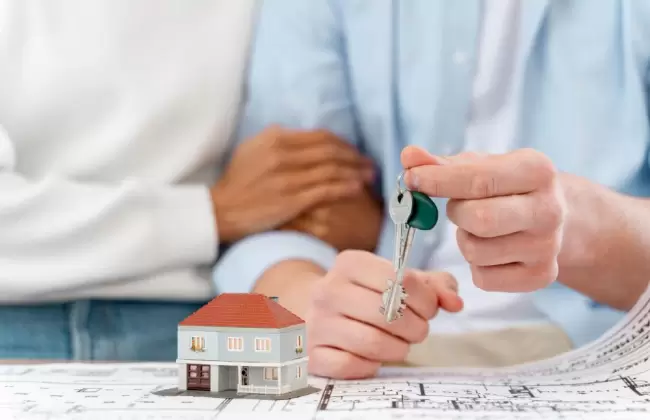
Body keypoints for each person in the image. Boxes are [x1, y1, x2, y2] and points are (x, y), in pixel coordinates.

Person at [214, 0, 650, 378]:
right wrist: (309, 302)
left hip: (599, 343)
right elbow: (283, 212)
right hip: (383, 356)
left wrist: (587, 233)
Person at [0, 1, 381, 360]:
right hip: (21, 324)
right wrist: (213, 213)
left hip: (212, 317)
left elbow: (311, 189)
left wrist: (352, 216)